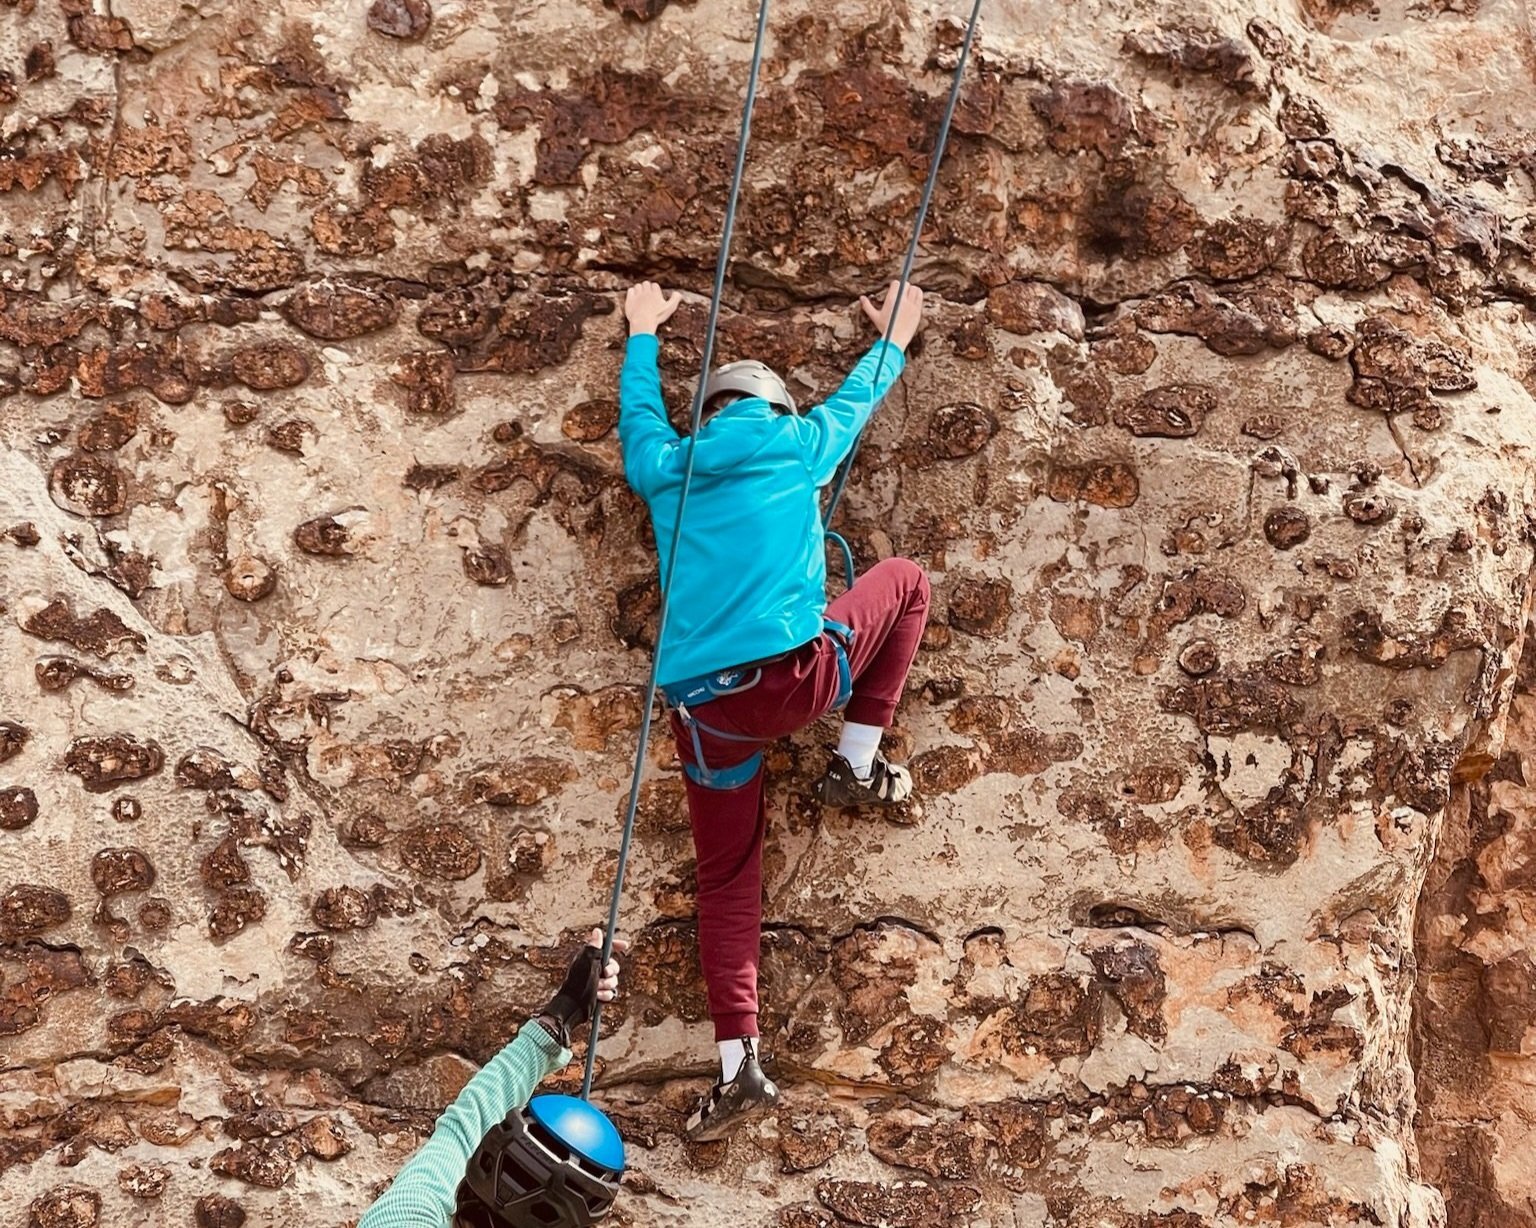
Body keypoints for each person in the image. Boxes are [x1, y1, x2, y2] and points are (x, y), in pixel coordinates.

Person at [617, 280, 931, 1141]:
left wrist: (642, 331)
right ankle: (858, 762)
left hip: (708, 715)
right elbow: (858, 399)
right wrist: (895, 337)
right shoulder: (799, 444)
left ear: (708, 413)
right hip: (796, 682)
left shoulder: (666, 467)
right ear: (773, 407)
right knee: (904, 582)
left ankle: (737, 1063)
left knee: (726, 879)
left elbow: (639, 418)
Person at [359, 929, 629, 1228]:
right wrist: (565, 1013)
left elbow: (466, 1127)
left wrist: (564, 1010)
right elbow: (469, 1124)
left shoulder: (408, 1214)